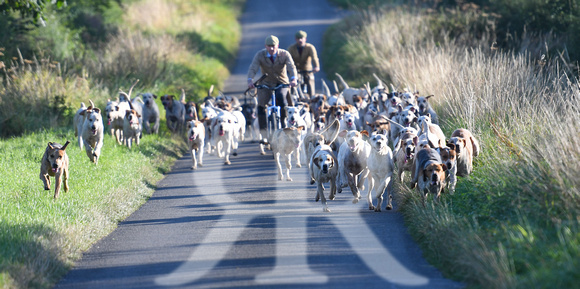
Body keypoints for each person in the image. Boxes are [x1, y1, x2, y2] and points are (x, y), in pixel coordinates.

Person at [247, 35, 297, 144]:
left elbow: (291, 67)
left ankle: (284, 123)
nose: (272, 48)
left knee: (282, 98)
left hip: (282, 83)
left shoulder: (284, 54)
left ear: (277, 45)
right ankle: (264, 133)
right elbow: (253, 67)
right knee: (261, 106)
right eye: (269, 46)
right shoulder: (260, 55)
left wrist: (293, 79)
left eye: (273, 46)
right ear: (265, 46)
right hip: (266, 83)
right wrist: (250, 79)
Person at [287, 30, 320, 97]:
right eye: (298, 38)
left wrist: (316, 66)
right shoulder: (291, 48)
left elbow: (314, 57)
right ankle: (292, 98)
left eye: (302, 38)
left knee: (310, 81)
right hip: (296, 70)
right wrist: (288, 68)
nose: (300, 40)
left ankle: (312, 98)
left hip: (307, 70)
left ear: (305, 39)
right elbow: (288, 59)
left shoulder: (310, 47)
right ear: (296, 39)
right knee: (294, 82)